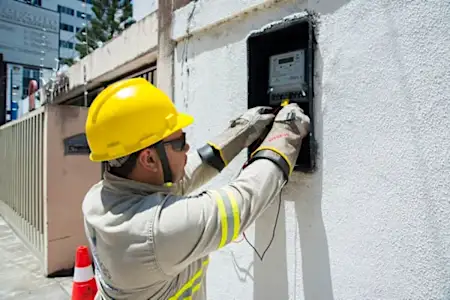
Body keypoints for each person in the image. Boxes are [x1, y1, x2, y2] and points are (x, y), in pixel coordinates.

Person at [82, 77, 310, 300]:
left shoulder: (99, 198)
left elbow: (186, 173)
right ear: (149, 159)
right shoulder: (155, 232)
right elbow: (245, 200)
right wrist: (286, 133)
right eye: (180, 143)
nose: (187, 148)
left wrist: (241, 132)